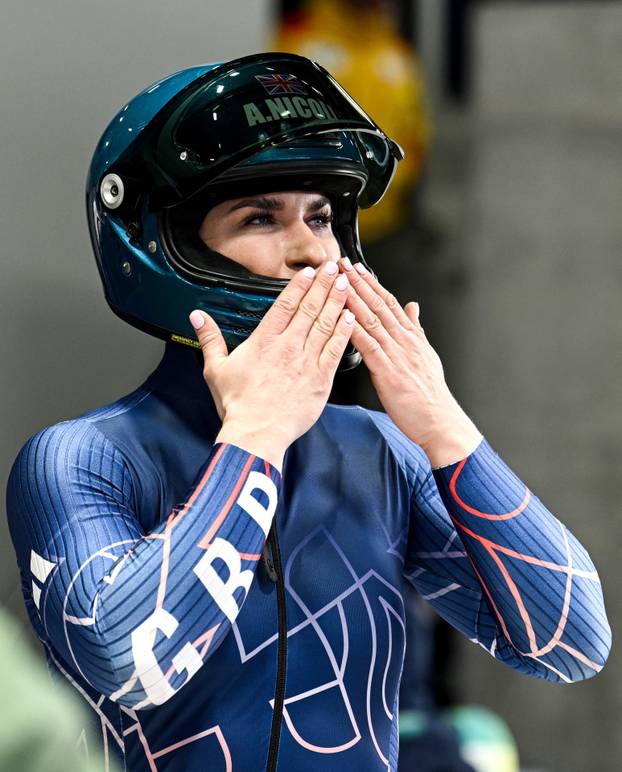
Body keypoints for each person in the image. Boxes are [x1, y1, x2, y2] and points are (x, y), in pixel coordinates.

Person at [6, 53, 610, 772]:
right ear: (166, 242)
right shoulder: (79, 459)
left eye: (321, 217)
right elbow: (132, 664)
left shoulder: (379, 450)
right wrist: (256, 436)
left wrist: (444, 427)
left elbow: (573, 644)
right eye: (261, 216)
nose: (309, 252)